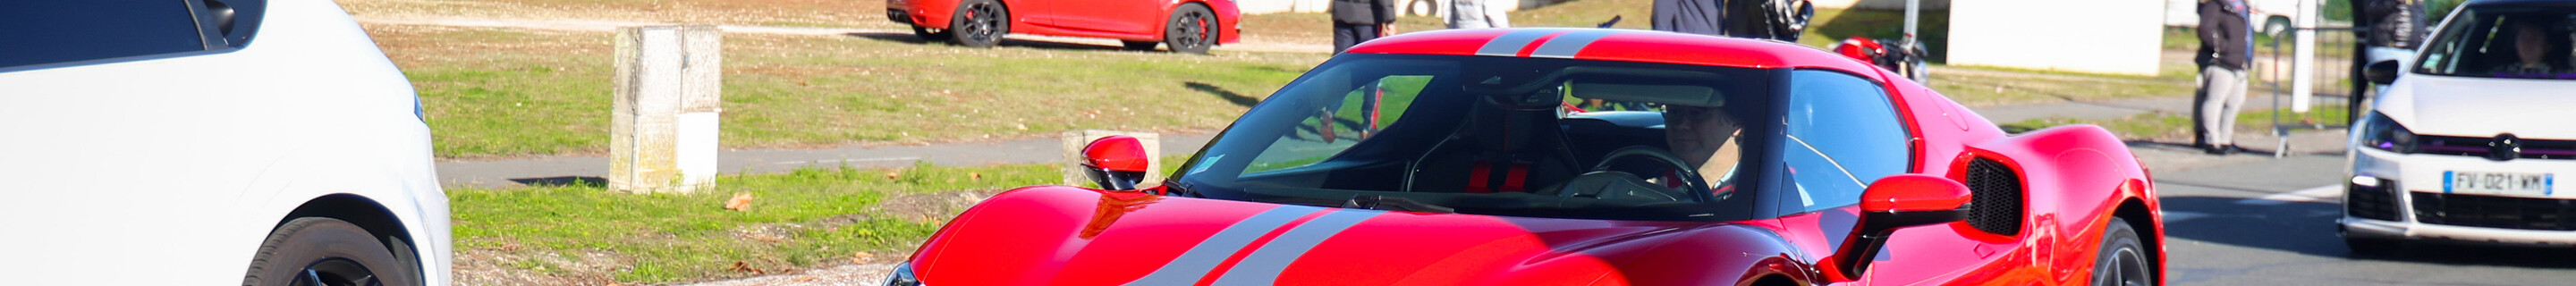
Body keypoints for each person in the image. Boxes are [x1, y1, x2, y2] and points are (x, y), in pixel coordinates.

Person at [2196, 0, 2252, 156]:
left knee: (2235, 102)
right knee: (2215, 99)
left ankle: (2225, 139)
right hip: (2221, 62)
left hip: (2239, 62)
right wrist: (2221, 49)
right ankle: (2211, 140)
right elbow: (2206, 29)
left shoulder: (2242, 7)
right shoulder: (2216, 5)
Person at [1662, 105, 1741, 188]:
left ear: (1735, 125)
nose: (1680, 126)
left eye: (1696, 113)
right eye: (1674, 112)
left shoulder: (1753, 187)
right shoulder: (1656, 188)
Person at [2491, 20, 2559, 77]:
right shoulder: (2497, 74)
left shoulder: (2560, 75)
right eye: (2523, 38)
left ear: (2547, 46)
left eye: (2534, 38)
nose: (2527, 43)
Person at [1332, 0, 1398, 53]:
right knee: (1366, 55)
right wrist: (1389, 21)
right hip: (1367, 17)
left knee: (1341, 55)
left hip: (1342, 13)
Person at [1448, 0, 1512, 29]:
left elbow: (1447, 14)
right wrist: (1505, 30)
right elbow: (1494, 14)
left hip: (1460, 33)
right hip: (1483, 36)